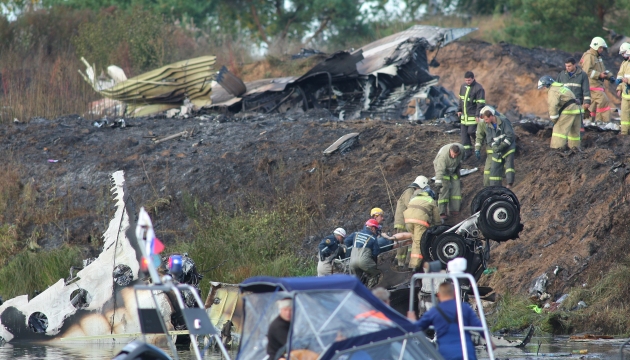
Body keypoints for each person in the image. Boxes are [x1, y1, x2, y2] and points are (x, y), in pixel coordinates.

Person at [407, 283, 484, 360]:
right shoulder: (465, 308)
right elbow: (480, 326)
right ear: (454, 293)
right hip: (466, 352)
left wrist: (412, 321)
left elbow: (417, 327)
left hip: (445, 354)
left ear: (439, 295)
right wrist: (490, 343)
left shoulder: (434, 311)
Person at [403, 182, 441, 270]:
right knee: (419, 242)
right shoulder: (431, 200)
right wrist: (438, 226)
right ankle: (414, 266)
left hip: (408, 220)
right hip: (419, 221)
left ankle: (410, 260)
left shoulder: (415, 198)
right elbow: (436, 217)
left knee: (414, 240)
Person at [393, 175, 429, 267]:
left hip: (408, 220)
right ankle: (400, 262)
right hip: (402, 221)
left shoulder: (412, 191)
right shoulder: (409, 191)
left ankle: (405, 261)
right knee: (402, 242)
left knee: (408, 241)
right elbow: (410, 204)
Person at [537, 76, 582, 150]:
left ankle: (557, 150)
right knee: (574, 133)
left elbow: (552, 105)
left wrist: (554, 119)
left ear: (546, 85)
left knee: (559, 131)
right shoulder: (560, 87)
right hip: (577, 110)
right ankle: (575, 149)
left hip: (568, 111)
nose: (543, 89)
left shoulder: (552, 91)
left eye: (543, 87)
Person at [476, 106, 516, 188]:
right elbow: (487, 139)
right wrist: (493, 147)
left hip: (506, 148)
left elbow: (510, 136)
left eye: (486, 119)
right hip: (496, 150)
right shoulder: (486, 125)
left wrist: (502, 146)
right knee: (492, 170)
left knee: (508, 165)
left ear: (491, 116)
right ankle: (493, 188)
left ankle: (509, 184)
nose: (485, 121)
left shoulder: (503, 120)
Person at [557, 57, 591, 137]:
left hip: (577, 104)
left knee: (578, 124)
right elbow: (557, 89)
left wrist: (587, 102)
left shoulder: (582, 75)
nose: (567, 68)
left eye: (569, 66)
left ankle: (580, 139)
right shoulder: (562, 75)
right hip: (564, 105)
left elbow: (586, 89)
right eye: (566, 66)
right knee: (565, 124)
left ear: (574, 65)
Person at [580, 36, 612, 122]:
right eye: (600, 47)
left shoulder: (597, 57)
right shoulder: (589, 56)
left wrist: (609, 76)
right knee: (604, 101)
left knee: (592, 106)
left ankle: (589, 123)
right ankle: (603, 122)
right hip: (592, 85)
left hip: (597, 85)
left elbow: (602, 70)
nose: (602, 49)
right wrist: (599, 75)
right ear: (595, 46)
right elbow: (586, 71)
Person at [457, 71, 486, 160]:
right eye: (466, 80)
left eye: (469, 80)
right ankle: (468, 153)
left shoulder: (479, 88)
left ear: (473, 78)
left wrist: (477, 115)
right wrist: (459, 110)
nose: (467, 82)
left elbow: (480, 104)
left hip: (473, 116)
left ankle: (482, 144)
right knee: (464, 135)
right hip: (464, 117)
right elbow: (461, 100)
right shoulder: (463, 86)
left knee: (472, 131)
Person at [433, 143, 465, 220]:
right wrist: (438, 183)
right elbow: (440, 171)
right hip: (443, 171)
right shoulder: (443, 157)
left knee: (456, 187)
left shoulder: (462, 150)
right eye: (453, 155)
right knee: (444, 189)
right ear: (450, 151)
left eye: (456, 155)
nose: (454, 157)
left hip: (453, 171)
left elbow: (461, 160)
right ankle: (442, 212)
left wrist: (458, 168)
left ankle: (454, 209)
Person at [347, 219, 381, 287]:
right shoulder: (373, 238)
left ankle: (355, 293)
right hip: (364, 261)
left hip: (352, 262)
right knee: (376, 274)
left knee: (356, 280)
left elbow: (346, 242)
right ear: (373, 228)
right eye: (376, 229)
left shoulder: (356, 234)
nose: (376, 231)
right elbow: (376, 252)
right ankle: (369, 291)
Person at [616, 43, 630, 135]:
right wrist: (619, 88)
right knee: (624, 115)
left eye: (624, 53)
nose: (623, 55)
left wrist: (628, 81)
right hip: (626, 95)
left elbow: (626, 79)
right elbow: (620, 76)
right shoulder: (624, 63)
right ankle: (624, 133)